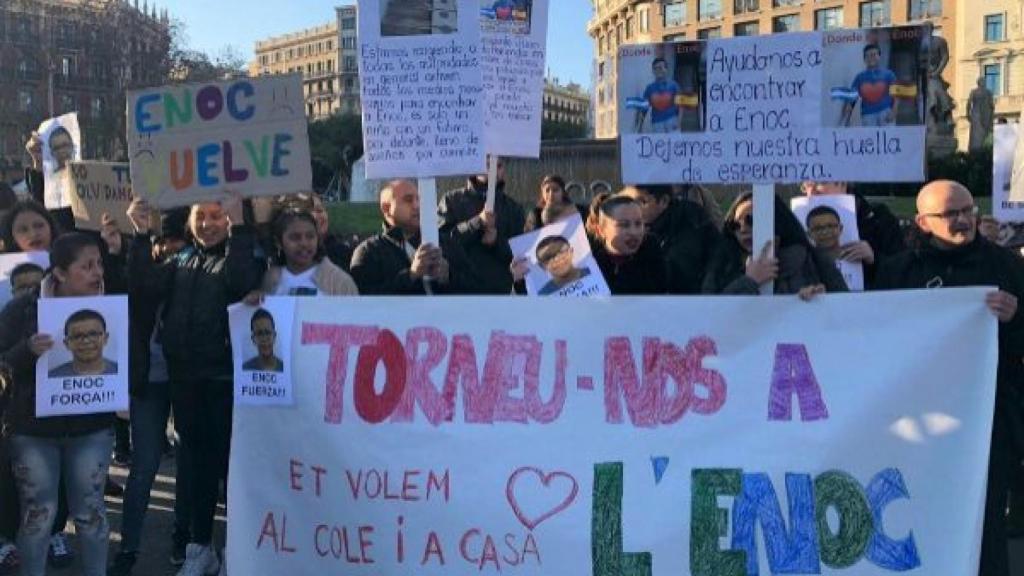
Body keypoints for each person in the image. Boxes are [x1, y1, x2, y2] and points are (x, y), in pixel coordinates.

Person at [875, 180, 1024, 576]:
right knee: (922, 512)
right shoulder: (898, 272)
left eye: (967, 210)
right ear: (923, 222)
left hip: (989, 419)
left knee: (985, 515)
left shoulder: (1006, 266)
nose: (962, 220)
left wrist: (1016, 317)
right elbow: (871, 336)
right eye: (949, 214)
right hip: (919, 422)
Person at [127, 194, 265, 576]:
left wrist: (239, 230)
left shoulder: (246, 252)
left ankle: (237, 551)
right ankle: (200, 546)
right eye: (200, 216)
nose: (207, 224)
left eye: (216, 216)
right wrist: (140, 236)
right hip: (185, 379)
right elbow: (143, 288)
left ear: (230, 219)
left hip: (225, 380)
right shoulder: (182, 259)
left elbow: (241, 282)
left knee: (229, 469)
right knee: (197, 467)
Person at [0, 233, 117, 576]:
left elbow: (131, 358)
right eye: (87, 266)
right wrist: (26, 351)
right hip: (33, 431)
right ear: (61, 273)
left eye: (99, 264)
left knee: (91, 513)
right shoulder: (22, 308)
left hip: (91, 428)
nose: (97, 272)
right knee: (38, 515)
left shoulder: (111, 306)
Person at [108, 208, 193, 576]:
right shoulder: (140, 280)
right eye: (163, 245)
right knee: (143, 467)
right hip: (150, 382)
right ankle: (128, 548)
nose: (170, 253)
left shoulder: (195, 276)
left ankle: (183, 538)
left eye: (179, 247)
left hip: (189, 378)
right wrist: (138, 235)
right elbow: (136, 280)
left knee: (190, 465)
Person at [702, 192, 847, 296]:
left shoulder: (814, 261)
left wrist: (821, 301)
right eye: (735, 225)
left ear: (777, 220)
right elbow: (712, 315)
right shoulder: (721, 266)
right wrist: (749, 281)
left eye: (751, 220)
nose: (743, 229)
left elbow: (845, 312)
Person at [351, 179, 457, 295]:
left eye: (418, 199)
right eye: (408, 200)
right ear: (386, 208)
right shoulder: (369, 252)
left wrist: (449, 276)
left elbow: (474, 288)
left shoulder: (445, 242)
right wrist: (411, 275)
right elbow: (364, 302)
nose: (417, 206)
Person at [438, 160, 524, 294]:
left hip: (499, 293)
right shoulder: (451, 200)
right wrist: (476, 223)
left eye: (498, 165)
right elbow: (442, 243)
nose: (492, 170)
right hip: (459, 293)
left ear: (503, 171)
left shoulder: (514, 208)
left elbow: (521, 254)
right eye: (486, 165)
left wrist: (496, 242)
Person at [800, 181, 904, 288]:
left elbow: (902, 267)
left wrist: (874, 258)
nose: (811, 192)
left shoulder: (879, 219)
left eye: (819, 183)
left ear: (843, 183)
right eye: (806, 186)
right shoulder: (797, 220)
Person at [621, 185, 720, 294]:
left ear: (664, 201)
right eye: (629, 202)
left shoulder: (693, 225)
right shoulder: (625, 231)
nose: (635, 209)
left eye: (642, 202)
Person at [257, 209, 357, 297]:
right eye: (295, 237)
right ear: (278, 242)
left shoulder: (340, 282)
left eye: (310, 236)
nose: (304, 243)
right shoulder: (270, 279)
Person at [586, 193, 666, 294]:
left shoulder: (651, 252)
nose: (634, 232)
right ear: (600, 230)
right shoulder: (586, 259)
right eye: (624, 225)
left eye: (638, 223)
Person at [840, 44, 898, 127]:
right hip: (867, 115)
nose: (871, 58)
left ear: (879, 56)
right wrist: (848, 109)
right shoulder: (859, 77)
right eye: (868, 56)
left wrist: (894, 111)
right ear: (864, 59)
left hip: (885, 113)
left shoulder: (889, 74)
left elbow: (896, 95)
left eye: (874, 55)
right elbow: (852, 96)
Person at [46, 310, 117, 378]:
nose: (86, 341)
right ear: (67, 343)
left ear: (105, 338)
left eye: (93, 334)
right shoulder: (53, 376)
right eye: (77, 336)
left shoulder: (122, 372)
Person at [636, 57, 680, 133]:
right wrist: (640, 126)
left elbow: (681, 105)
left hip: (672, 121)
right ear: (653, 71)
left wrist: (678, 121)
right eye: (656, 68)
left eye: (661, 68)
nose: (658, 70)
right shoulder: (649, 88)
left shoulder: (674, 85)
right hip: (657, 123)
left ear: (666, 69)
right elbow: (644, 109)